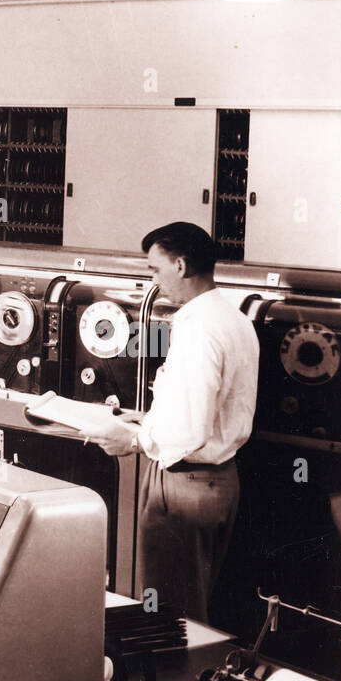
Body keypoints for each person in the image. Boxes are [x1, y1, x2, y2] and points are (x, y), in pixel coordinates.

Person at [89, 221, 258, 623]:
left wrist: (131, 441)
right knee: (193, 610)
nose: (153, 279)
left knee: (170, 615)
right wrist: (147, 418)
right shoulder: (234, 319)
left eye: (155, 269)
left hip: (183, 487)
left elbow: (189, 432)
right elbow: (213, 408)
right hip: (220, 480)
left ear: (180, 266)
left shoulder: (198, 330)